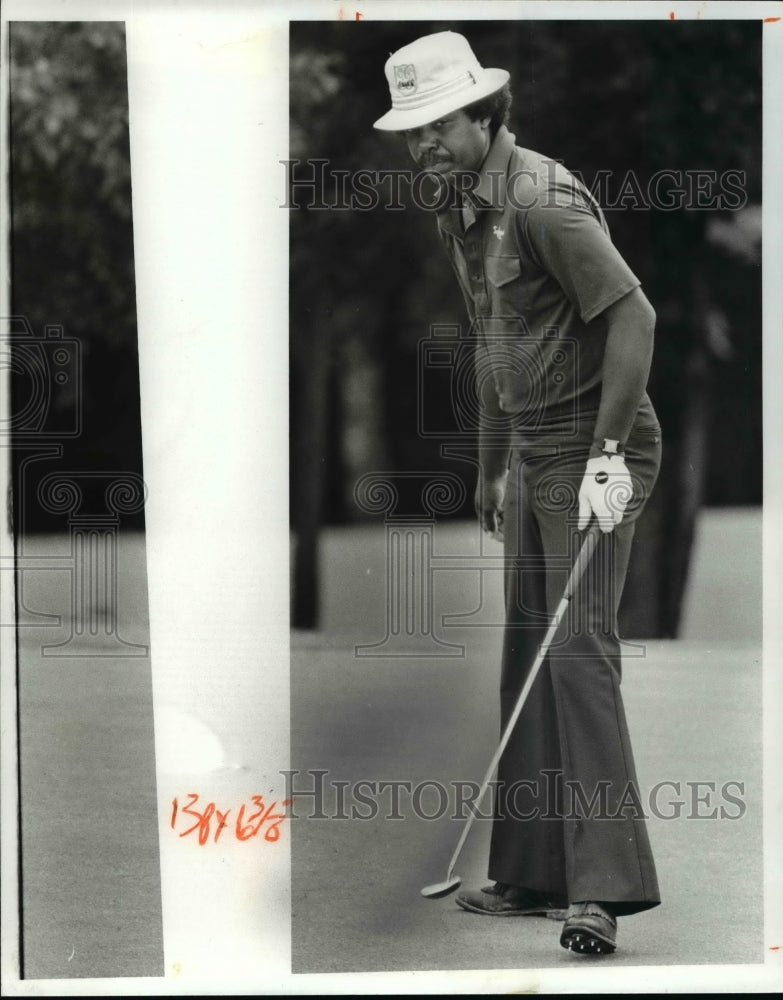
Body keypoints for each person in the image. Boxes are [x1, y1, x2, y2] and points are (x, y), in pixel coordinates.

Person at [373, 31, 663, 956]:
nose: (420, 143)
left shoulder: (543, 200)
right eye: (409, 129)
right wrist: (492, 463)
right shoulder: (459, 208)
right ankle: (535, 872)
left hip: (595, 451)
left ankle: (602, 893)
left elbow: (633, 317)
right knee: (526, 654)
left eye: (435, 124)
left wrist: (608, 455)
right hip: (534, 452)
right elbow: (494, 348)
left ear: (485, 113)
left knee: (577, 655)